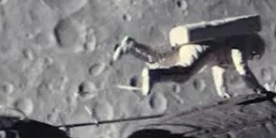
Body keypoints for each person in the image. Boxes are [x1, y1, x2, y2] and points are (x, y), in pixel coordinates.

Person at [113, 32, 266, 97]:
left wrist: (222, 90)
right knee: (184, 74)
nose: (251, 58)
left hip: (193, 46)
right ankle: (154, 74)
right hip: (205, 50)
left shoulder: (237, 43)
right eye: (253, 56)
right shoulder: (242, 44)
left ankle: (131, 46)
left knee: (160, 59)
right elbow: (243, 69)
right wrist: (258, 89)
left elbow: (219, 69)